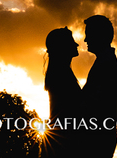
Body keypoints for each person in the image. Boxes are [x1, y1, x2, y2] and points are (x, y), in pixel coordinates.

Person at [82, 14, 117, 158]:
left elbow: (92, 101)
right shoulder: (104, 61)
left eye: (89, 35)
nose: (86, 40)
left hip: (98, 138)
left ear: (100, 36)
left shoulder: (106, 64)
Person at [42, 27, 83, 158]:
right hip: (63, 143)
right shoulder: (61, 75)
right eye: (71, 41)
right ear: (62, 47)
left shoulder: (60, 73)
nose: (76, 44)